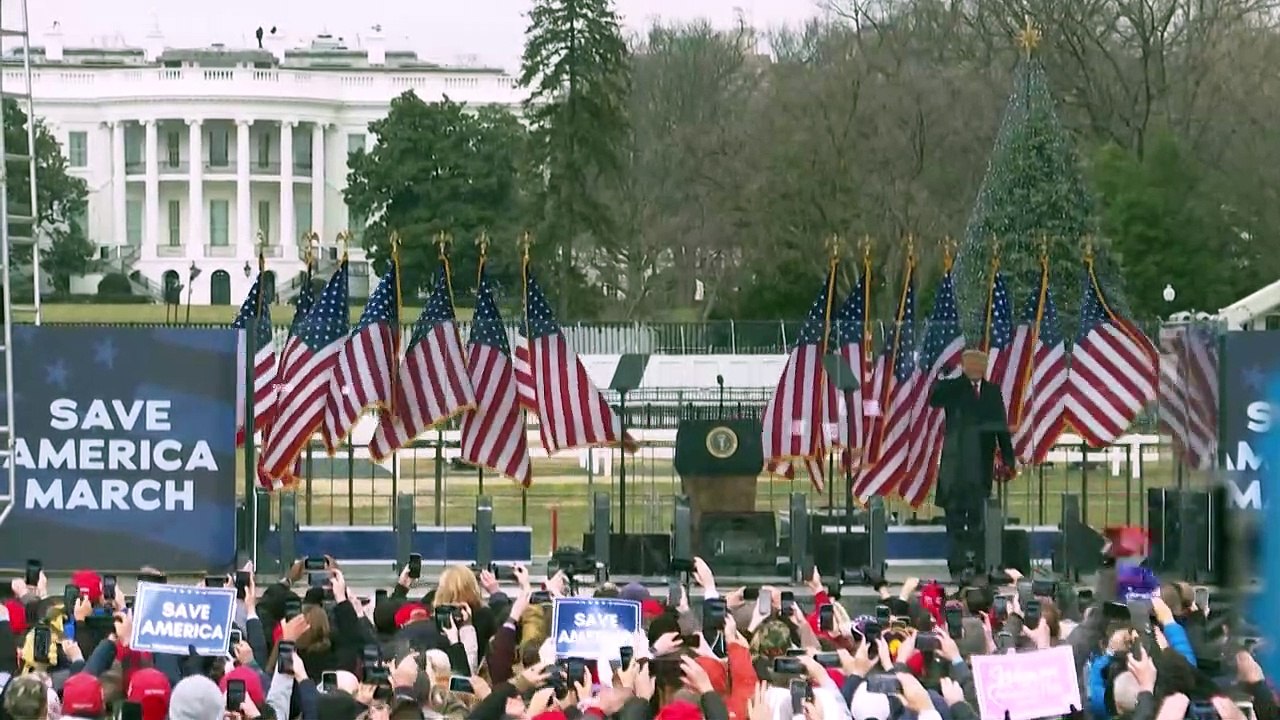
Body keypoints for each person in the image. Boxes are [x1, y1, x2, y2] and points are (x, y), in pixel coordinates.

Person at [928, 349, 1016, 577]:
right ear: (965, 366)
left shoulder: (992, 392)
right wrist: (949, 378)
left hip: (980, 468)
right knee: (955, 521)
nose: (975, 369)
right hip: (955, 470)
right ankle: (957, 565)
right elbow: (935, 399)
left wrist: (1008, 459)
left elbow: (1001, 428)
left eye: (979, 365)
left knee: (978, 521)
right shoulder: (954, 388)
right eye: (971, 365)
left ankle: (978, 564)